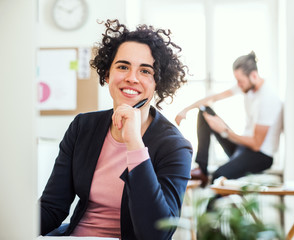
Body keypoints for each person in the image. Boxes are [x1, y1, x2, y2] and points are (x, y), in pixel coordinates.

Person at [39, 19, 192, 240]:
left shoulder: (175, 146)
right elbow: (52, 207)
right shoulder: (83, 127)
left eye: (145, 71)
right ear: (107, 74)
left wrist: (135, 144)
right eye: (123, 66)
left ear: (158, 82)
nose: (132, 78)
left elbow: (156, 234)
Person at [175, 51, 283, 187]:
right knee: (204, 111)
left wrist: (225, 131)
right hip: (244, 148)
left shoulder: (268, 99)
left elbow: (256, 144)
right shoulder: (248, 87)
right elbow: (213, 98)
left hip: (261, 156)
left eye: (240, 81)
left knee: (218, 176)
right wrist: (186, 109)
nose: (238, 84)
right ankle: (201, 169)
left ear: (253, 75)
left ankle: (211, 208)